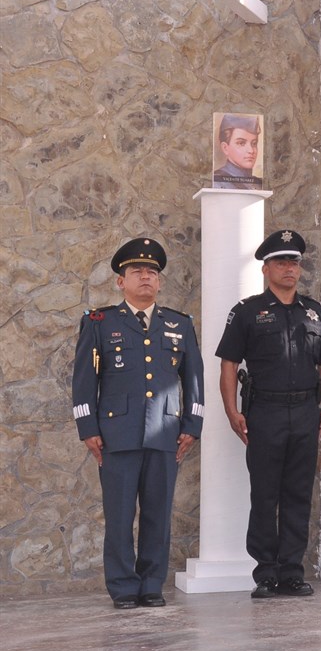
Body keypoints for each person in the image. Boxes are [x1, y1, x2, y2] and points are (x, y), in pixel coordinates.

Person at [72, 238, 204, 609]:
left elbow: (194, 379)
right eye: (137, 271)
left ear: (159, 282)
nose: (145, 277)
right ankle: (123, 587)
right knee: (119, 516)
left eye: (152, 272)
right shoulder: (100, 323)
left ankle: (151, 584)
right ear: (121, 281)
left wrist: (192, 425)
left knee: (158, 514)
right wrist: (88, 429)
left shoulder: (179, 324)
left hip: (165, 433)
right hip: (116, 436)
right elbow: (84, 380)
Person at [216, 230, 321, 598]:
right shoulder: (247, 311)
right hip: (264, 412)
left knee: (299, 493)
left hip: (305, 412)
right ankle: (266, 573)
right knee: (265, 494)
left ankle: (292, 572)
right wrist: (232, 411)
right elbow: (229, 364)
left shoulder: (315, 312)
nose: (289, 268)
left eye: (294, 262)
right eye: (281, 262)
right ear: (266, 269)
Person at [212, 114, 263, 190]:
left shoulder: (259, 183)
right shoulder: (217, 182)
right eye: (241, 143)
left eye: (254, 143)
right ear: (225, 148)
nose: (251, 150)